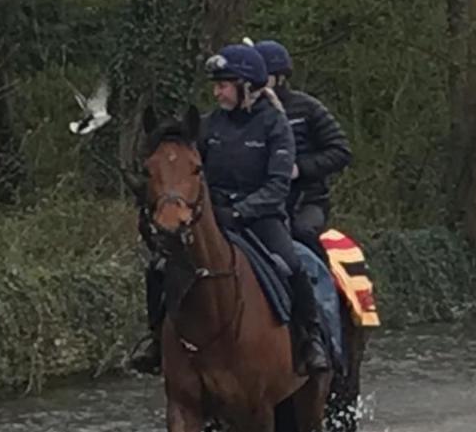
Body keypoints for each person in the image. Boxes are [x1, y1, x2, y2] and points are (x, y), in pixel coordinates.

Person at [128, 44, 329, 376]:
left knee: (291, 265)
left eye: (223, 85)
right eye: (216, 85)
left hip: (262, 217)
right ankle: (155, 342)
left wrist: (240, 212)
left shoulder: (275, 126)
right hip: (214, 217)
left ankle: (310, 340)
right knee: (160, 267)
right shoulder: (208, 126)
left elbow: (277, 186)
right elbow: (190, 173)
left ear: (246, 86)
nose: (217, 92)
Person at [253, 40, 352, 260]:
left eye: (263, 76)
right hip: (263, 198)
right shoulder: (249, 114)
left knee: (302, 232)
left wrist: (300, 168)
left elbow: (341, 151)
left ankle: (323, 286)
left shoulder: (308, 108)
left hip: (306, 199)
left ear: (280, 78)